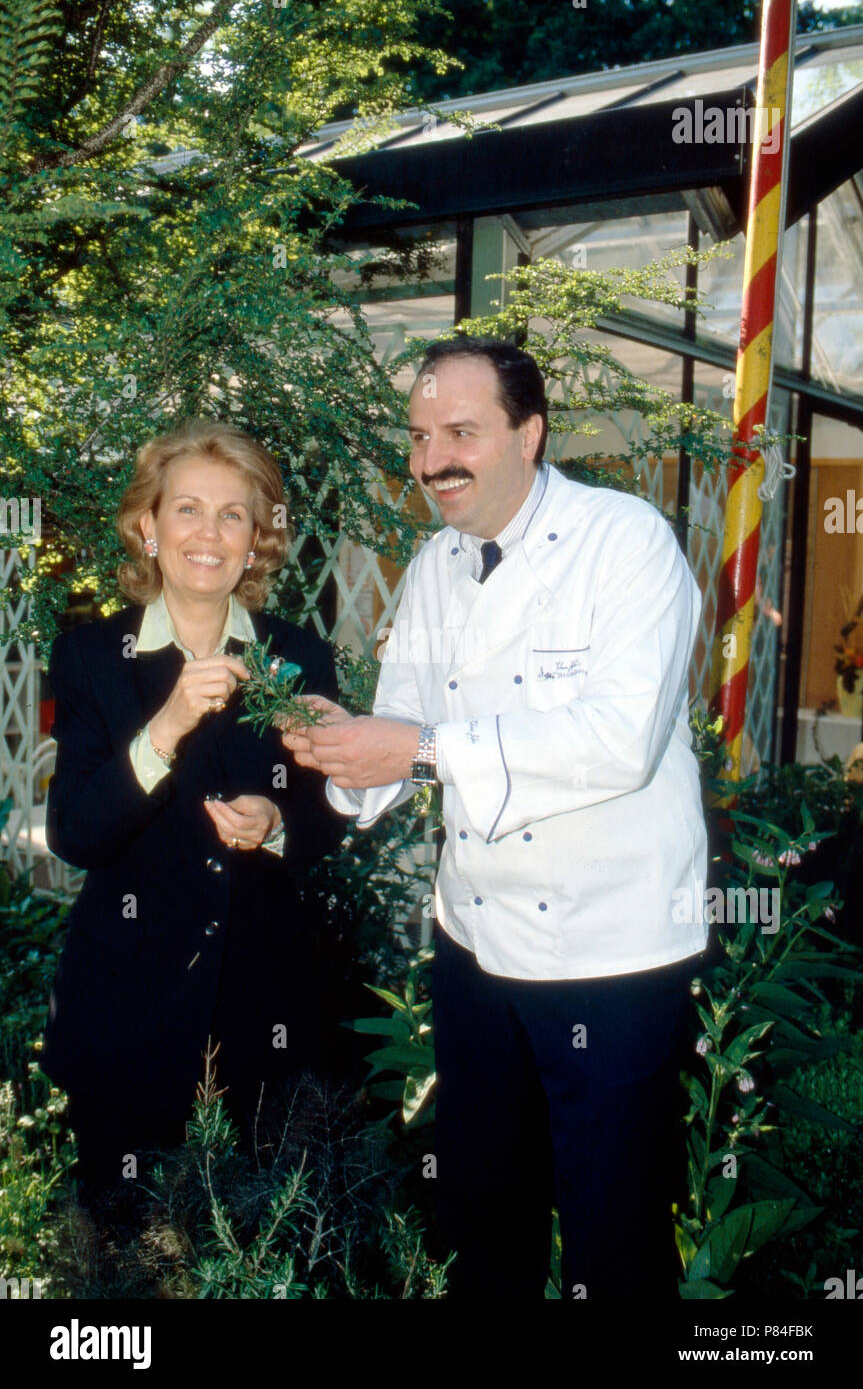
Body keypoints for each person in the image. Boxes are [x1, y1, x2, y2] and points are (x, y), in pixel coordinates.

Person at [282, 336, 709, 1300]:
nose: (430, 461)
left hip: (610, 954)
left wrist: (421, 750)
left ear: (530, 435)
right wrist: (341, 752)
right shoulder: (435, 563)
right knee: (485, 1219)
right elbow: (400, 729)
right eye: (420, 434)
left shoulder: (626, 539)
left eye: (461, 433)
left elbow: (616, 740)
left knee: (613, 1232)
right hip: (473, 944)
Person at [42, 419, 346, 1208]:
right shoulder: (88, 660)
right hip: (125, 1020)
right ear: (148, 527)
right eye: (186, 509)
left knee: (267, 1241)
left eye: (232, 514)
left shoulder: (298, 656)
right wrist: (167, 726)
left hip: (267, 1016)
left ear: (257, 540)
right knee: (124, 1252)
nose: (207, 533)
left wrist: (277, 824)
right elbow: (77, 834)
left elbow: (331, 813)